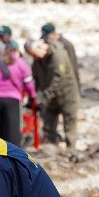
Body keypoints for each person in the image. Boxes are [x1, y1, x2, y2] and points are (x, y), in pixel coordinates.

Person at [29, 24, 81, 153]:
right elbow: (35, 77)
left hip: (67, 94)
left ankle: (71, 149)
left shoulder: (58, 55)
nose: (36, 57)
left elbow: (59, 78)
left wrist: (45, 95)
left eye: (36, 54)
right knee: (49, 122)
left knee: (69, 122)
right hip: (51, 97)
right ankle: (51, 146)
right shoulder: (38, 59)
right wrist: (35, 96)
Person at [0, 40, 36, 147]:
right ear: (17, 51)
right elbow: (28, 83)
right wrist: (32, 97)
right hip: (13, 100)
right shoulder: (21, 63)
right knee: (13, 134)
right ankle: (12, 158)